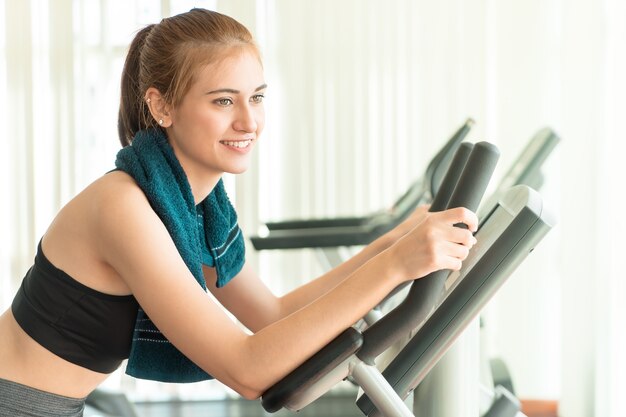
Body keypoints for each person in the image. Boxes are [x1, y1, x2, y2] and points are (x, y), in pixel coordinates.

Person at [0, 8, 477, 416]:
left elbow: (272, 316)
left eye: (257, 97)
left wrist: (390, 245)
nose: (249, 121)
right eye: (224, 100)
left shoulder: (192, 208)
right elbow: (248, 370)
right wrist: (396, 264)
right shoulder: (123, 207)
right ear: (161, 106)